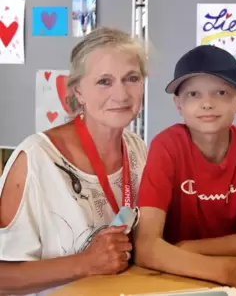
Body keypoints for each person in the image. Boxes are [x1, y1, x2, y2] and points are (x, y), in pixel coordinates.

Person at [0, 27, 147, 296]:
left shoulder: (137, 149)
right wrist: (85, 263)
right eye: (104, 81)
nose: (122, 94)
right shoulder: (36, 160)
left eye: (132, 78)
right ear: (78, 90)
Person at [134, 45, 236, 296]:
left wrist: (191, 248)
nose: (207, 103)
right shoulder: (166, 146)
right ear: (178, 104)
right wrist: (227, 270)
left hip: (228, 273)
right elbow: (145, 247)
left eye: (220, 92)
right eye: (194, 94)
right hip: (175, 277)